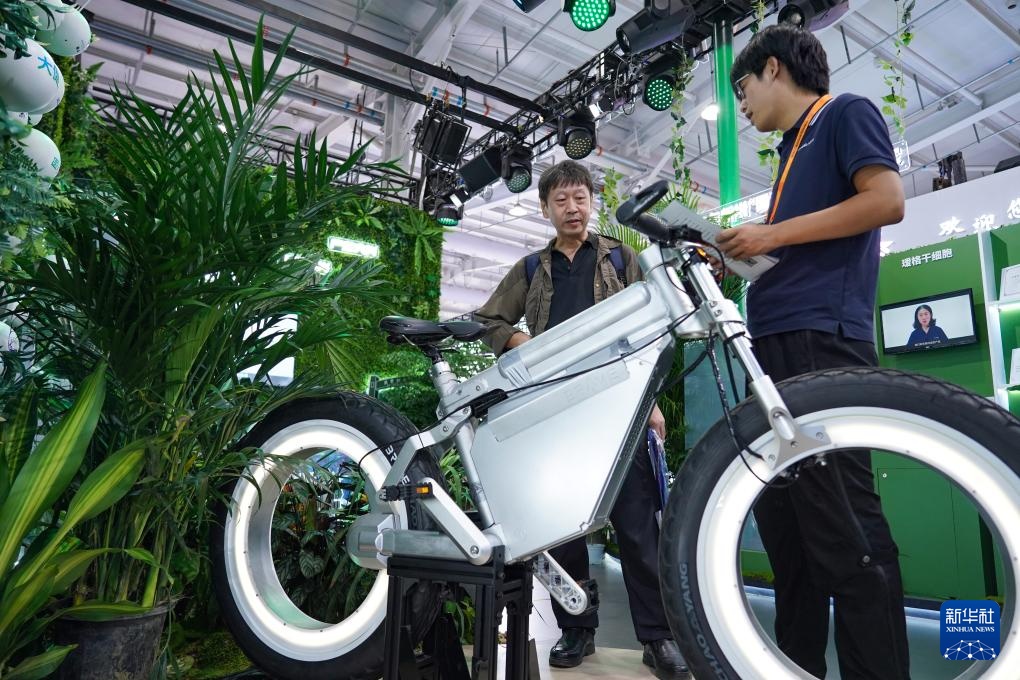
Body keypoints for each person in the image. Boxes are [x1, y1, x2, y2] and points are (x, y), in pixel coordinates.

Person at [715, 24, 910, 680]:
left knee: (845, 532)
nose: (742, 105)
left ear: (773, 68)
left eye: (742, 87)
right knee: (790, 538)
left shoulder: (844, 113)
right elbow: (800, 245)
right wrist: (738, 254)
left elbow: (886, 200)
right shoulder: (791, 150)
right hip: (775, 346)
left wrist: (771, 234)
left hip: (821, 342)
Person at [473, 160, 688, 680]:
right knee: (563, 528)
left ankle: (658, 638)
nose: (573, 208)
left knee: (638, 528)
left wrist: (652, 402)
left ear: (591, 202)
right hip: (558, 417)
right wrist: (523, 343)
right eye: (561, 200)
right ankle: (576, 628)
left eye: (580, 198)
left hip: (620, 410)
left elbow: (651, 328)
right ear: (545, 208)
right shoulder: (531, 269)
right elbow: (488, 319)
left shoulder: (620, 257)